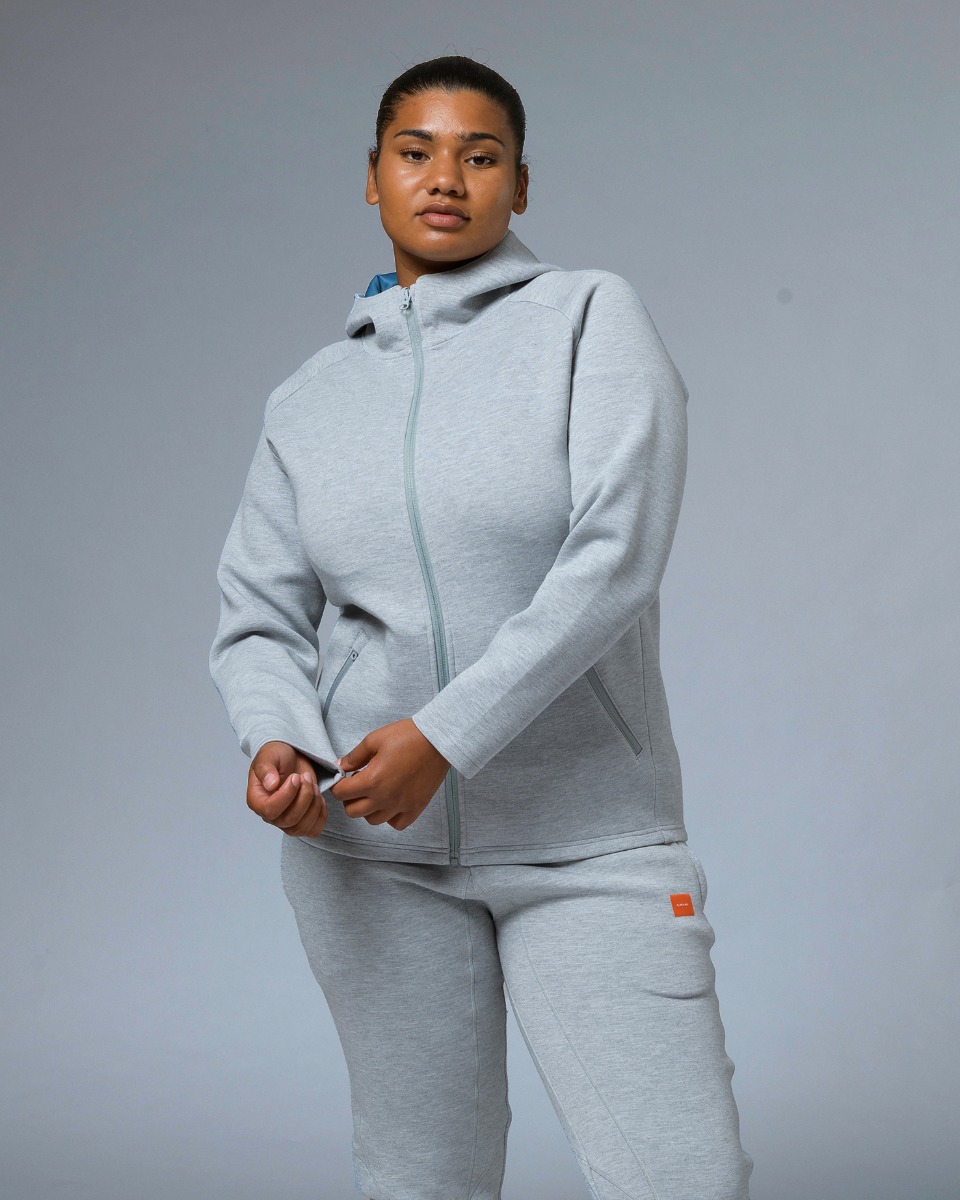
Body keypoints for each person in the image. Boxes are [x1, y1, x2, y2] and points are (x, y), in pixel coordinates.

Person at [209, 54, 755, 1200]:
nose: (446, 177)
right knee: (422, 1182)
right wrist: (281, 742)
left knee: (680, 1180)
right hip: (371, 857)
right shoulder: (309, 399)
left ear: (520, 182)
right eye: (416, 152)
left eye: (480, 154)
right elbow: (259, 615)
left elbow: (616, 556)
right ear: (373, 177)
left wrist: (446, 735)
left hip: (587, 841)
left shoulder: (589, 318)